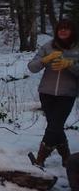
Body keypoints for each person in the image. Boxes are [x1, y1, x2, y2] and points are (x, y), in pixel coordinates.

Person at [27, 19, 79, 167]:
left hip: (67, 94)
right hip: (46, 92)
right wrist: (44, 60)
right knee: (55, 125)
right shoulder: (48, 46)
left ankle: (40, 158)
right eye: (60, 29)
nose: (63, 31)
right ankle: (66, 157)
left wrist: (70, 64)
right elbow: (32, 67)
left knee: (54, 126)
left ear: (72, 31)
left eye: (66, 29)